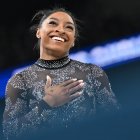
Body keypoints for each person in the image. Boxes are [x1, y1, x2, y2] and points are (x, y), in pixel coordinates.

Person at [2, 7, 120, 140]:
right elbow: (10, 134)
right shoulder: (20, 81)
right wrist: (47, 103)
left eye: (69, 27)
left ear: (74, 40)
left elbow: (115, 120)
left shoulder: (93, 72)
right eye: (53, 23)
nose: (61, 30)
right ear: (38, 32)